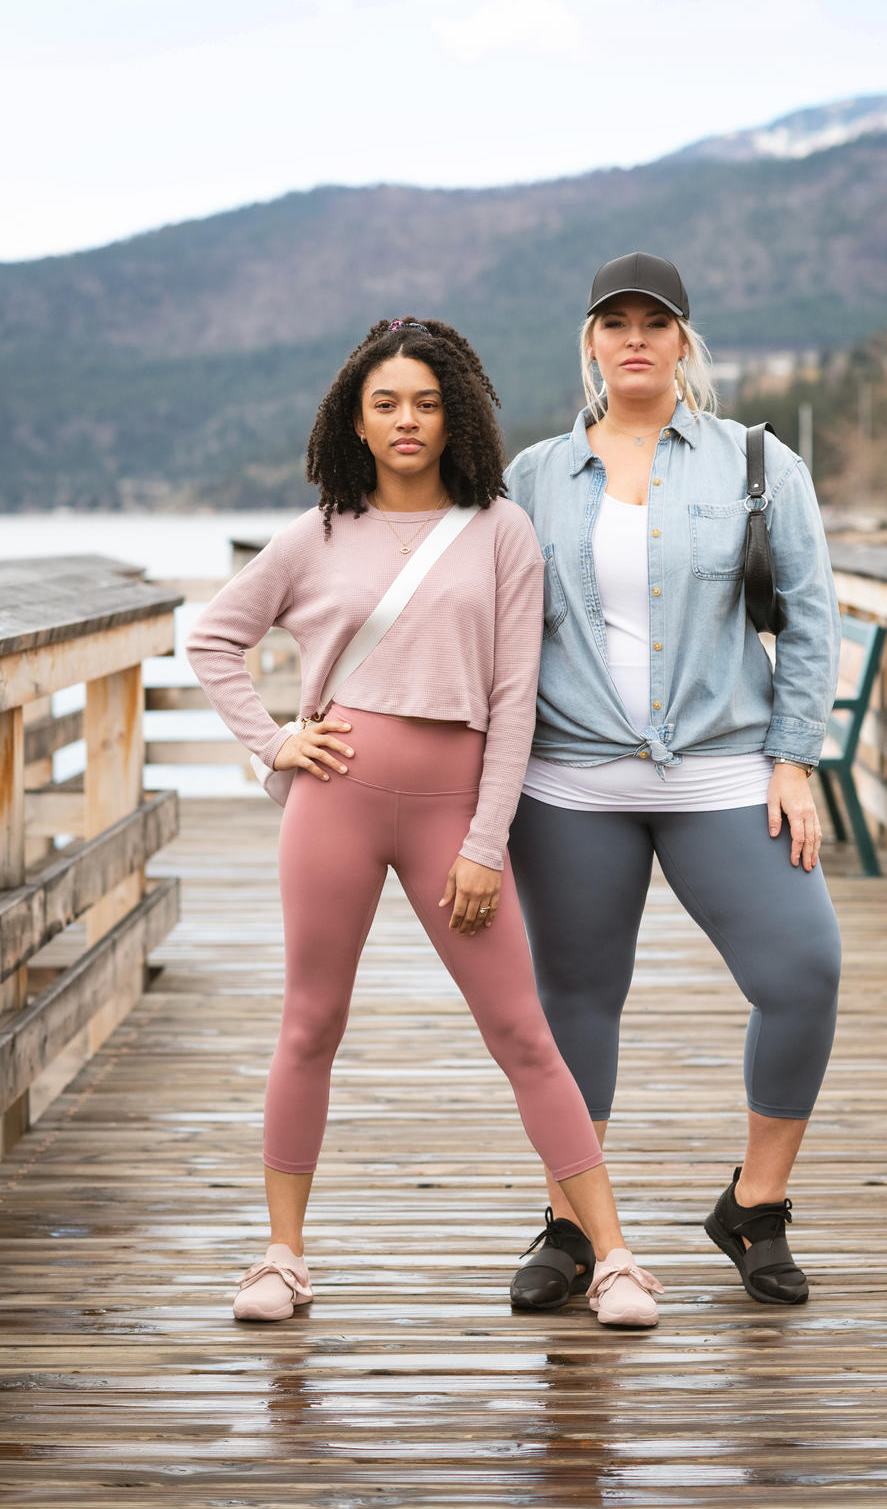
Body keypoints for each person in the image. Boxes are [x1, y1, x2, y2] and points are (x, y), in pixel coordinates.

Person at [185, 317, 661, 1328]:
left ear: (457, 416)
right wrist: (272, 741)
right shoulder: (313, 534)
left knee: (523, 1033)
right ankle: (280, 1256)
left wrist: (487, 841)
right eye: (387, 403)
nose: (408, 420)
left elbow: (516, 697)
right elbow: (212, 637)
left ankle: (615, 1259)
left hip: (455, 809)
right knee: (309, 1022)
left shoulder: (500, 532)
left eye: (428, 402)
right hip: (335, 803)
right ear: (354, 421)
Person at [504, 255, 842, 1311]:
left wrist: (793, 758)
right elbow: (477, 622)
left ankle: (757, 1204)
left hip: (723, 769)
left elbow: (811, 610)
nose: (636, 337)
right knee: (575, 1005)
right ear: (590, 340)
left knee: (803, 969)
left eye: (657, 322)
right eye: (616, 322)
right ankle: (569, 1224)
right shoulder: (531, 478)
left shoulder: (757, 463)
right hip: (569, 782)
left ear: (685, 340)